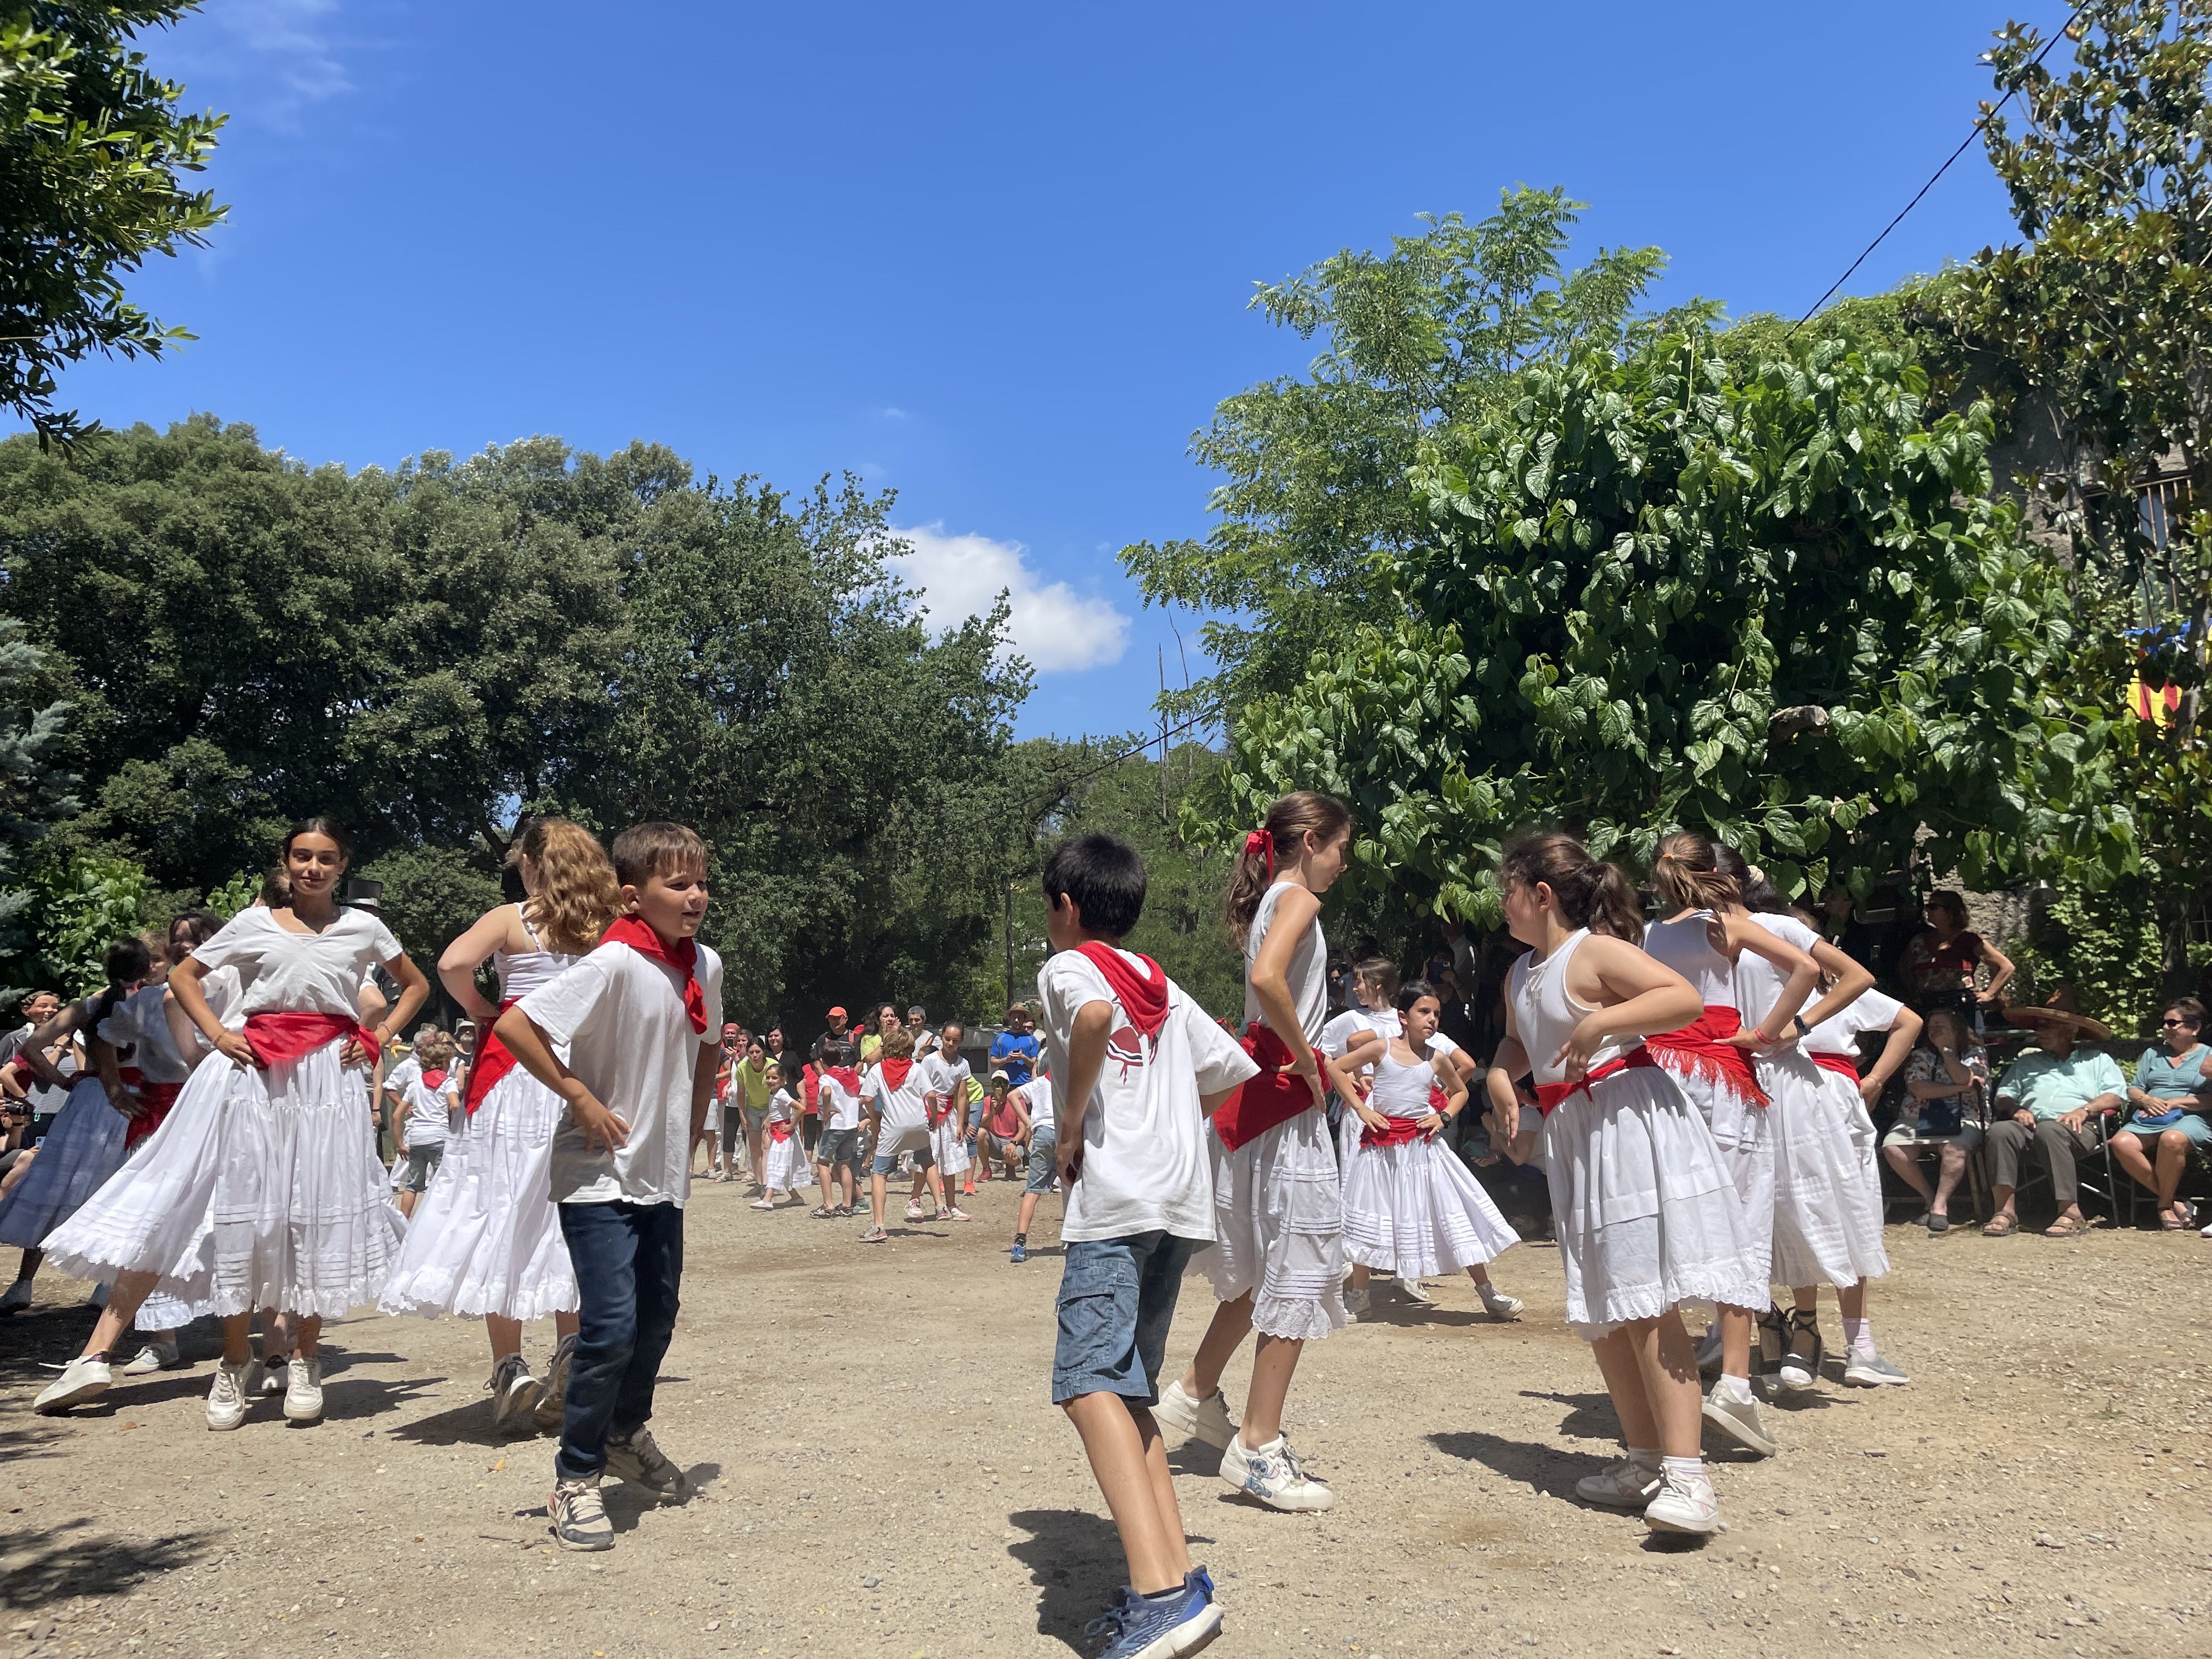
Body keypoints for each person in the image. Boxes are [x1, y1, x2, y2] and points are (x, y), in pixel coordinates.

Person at [1482, 831, 1767, 1538]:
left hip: (1628, 1123)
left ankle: (1689, 1477)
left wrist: (1605, 1018)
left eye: (1507, 890)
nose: (1500, 903)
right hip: (1578, 1133)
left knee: (1649, 1301)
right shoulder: (1520, 972)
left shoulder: (1594, 951)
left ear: (1540, 893)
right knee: (1607, 1303)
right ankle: (1643, 1459)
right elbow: (1520, 1044)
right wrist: (1499, 1078)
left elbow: (1680, 1000)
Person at [1034, 831, 1254, 1659]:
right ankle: (1175, 1578)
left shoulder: (1070, 968)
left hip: (1117, 1200)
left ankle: (1161, 1594)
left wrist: (1072, 1119)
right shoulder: (1160, 979)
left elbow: (1091, 1019)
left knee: (1086, 1384)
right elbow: (1227, 1069)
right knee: (1128, 1390)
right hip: (1176, 1203)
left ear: (1066, 906)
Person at [493, 820, 723, 1552]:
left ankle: (624, 1431)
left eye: (701, 882)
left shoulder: (703, 965)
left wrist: (689, 1128)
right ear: (633, 894)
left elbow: (709, 1046)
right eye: (677, 884)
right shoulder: (615, 962)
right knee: (611, 1326)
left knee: (657, 1315)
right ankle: (576, 1475)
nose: (696, 896)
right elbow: (517, 1025)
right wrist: (579, 1097)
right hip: (598, 1176)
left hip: (660, 1176)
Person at [381, 817, 617, 1434]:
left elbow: (454, 962)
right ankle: (569, 1363)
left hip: (512, 1074)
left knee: (496, 1206)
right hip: (576, 1074)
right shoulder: (604, 923)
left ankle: (509, 1368)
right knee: (570, 1217)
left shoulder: (512, 918)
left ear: (534, 865)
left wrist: (485, 1008)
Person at [1154, 791, 1352, 1514]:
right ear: (1309, 841)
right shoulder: (1298, 899)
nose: (1342, 862)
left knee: (1261, 1268)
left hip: (1254, 1100)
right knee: (1299, 1266)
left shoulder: (1274, 894)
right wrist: (1308, 1058)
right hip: (1282, 1103)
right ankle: (1258, 1446)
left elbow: (1264, 984)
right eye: (1339, 847)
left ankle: (1197, 1393)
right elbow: (1270, 980)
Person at [1637, 831, 1824, 1448]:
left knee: (1679, 1222)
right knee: (1739, 1224)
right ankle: (1736, 1386)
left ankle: (1686, 1379)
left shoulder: (1652, 932)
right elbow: (1806, 968)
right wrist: (1770, 1032)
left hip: (1668, 1076)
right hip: (1719, 1077)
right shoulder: (1724, 924)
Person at [1330, 979, 1522, 1321]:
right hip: (1382, 1150)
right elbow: (1336, 1067)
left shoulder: (1437, 1059)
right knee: (1373, 1217)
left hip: (1424, 1150)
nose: (1432, 1019)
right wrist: (1362, 1109)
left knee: (1453, 1212)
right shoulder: (1381, 1048)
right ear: (1404, 1017)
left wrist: (1443, 1115)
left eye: (1436, 1013)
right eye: (1424, 1012)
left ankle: (1488, 1293)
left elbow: (1460, 1091)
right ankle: (1359, 1296)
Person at [0, 937, 157, 1313]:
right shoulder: (151, 1002)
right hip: (132, 1098)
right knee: (117, 1187)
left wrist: (61, 1080)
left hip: (87, 1100)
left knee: (58, 1184)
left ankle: (23, 1284)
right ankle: (106, 1284)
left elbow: (30, 1048)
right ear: (145, 967)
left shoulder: (89, 1004)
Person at [1785, 966, 1922, 1390]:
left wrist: (1876, 1078)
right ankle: (1829, 1340)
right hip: (1803, 1093)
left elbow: (1909, 1021)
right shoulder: (1786, 985)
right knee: (1819, 1209)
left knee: (1831, 1209)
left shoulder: (1829, 987)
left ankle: (1836, 1342)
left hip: (1816, 1095)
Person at [1983, 1001, 2125, 1239]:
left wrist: (2085, 1109)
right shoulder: (2027, 1063)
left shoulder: (2096, 1059)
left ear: (2071, 1030)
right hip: (2028, 1128)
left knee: (2050, 1130)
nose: (2040, 1032)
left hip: (2078, 1129)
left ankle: (2070, 1212)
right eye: (2039, 1027)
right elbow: (2003, 1096)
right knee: (2000, 1131)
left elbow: (2115, 1096)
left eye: (2048, 1027)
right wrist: (2016, 1109)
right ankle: (2005, 1212)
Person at [1882, 1008, 1989, 1233]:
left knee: (1954, 1149)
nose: (1935, 1030)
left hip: (1964, 1117)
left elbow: (1964, 1075)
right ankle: (1929, 1198)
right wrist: (1960, 1088)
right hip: (1917, 1117)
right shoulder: (1920, 1056)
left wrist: (1947, 1052)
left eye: (1941, 1026)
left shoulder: (1975, 1054)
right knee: (1893, 1148)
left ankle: (1940, 1206)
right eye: (1931, 1027)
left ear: (1957, 1030)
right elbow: (1919, 1089)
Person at [2110, 997, 2212, 1229]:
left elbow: (2210, 1099)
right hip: (2152, 1115)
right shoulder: (2153, 1054)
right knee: (2121, 1142)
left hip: (2193, 1117)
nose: (2166, 1027)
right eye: (2165, 1022)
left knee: (2172, 1139)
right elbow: (2134, 1088)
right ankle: (2176, 1202)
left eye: (2173, 1023)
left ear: (2195, 1028)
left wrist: (2175, 1102)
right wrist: (2145, 1099)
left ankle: (2164, 1206)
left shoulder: (2209, 1057)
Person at [859, 1025, 945, 1240]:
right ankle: (940, 1206)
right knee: (928, 1161)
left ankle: (879, 1227)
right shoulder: (917, 1068)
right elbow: (932, 1096)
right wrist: (933, 1118)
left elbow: (867, 1098)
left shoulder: (877, 1070)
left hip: (893, 1127)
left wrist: (875, 1116)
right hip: (918, 1123)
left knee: (879, 1173)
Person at [1899, 890, 2014, 1028]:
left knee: (1968, 1048)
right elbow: (1903, 968)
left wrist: (1989, 994)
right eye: (1927, 906)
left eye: (1933, 907)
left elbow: (2006, 967)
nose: (1927, 910)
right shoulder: (1919, 941)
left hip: (1962, 1009)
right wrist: (1914, 993)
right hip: (1929, 1007)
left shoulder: (1969, 940)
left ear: (1951, 912)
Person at [389, 1029, 459, 1218]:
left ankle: (404, 1221)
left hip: (417, 1138)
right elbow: (455, 1105)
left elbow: (396, 1116)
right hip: (440, 1137)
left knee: (412, 1185)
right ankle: (437, 1219)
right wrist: (458, 1130)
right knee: (442, 1182)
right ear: (443, 1063)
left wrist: (400, 1144)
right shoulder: (449, 1082)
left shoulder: (415, 1084)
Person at [916, 1020, 972, 1218]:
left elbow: (962, 1095)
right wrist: (928, 1113)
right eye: (947, 1039)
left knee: (950, 1159)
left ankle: (951, 1203)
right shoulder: (931, 1060)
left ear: (961, 1041)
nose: (950, 1043)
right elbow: (923, 1088)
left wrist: (961, 1123)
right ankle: (917, 1199)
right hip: (929, 1111)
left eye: (955, 1041)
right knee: (927, 1158)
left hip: (949, 1113)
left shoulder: (963, 1064)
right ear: (942, 1036)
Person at [810, 1026, 864, 1219]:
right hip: (851, 1124)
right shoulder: (850, 1074)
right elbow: (865, 1088)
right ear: (841, 1056)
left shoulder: (826, 1077)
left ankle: (828, 1204)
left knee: (823, 1163)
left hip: (835, 1126)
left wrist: (825, 1111)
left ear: (822, 1061)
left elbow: (826, 1093)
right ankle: (848, 1205)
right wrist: (857, 1103)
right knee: (844, 1164)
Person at [1009, 1060, 1058, 1263]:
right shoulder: (1067, 1080)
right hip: (1065, 1133)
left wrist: (1029, 1122)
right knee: (1072, 1187)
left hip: (1043, 1133)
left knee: (1032, 1190)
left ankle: (1020, 1243)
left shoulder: (1039, 1083)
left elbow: (1013, 1095)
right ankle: (1075, 1240)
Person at [752, 1063, 809, 1209]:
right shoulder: (774, 1094)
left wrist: (792, 1125)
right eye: (768, 1078)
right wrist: (768, 1120)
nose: (771, 1081)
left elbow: (801, 1108)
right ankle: (796, 1198)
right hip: (778, 1135)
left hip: (785, 1137)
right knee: (781, 1166)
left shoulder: (782, 1094)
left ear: (783, 1080)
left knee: (778, 1165)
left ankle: (767, 1199)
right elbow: (776, 1111)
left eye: (775, 1078)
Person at [990, 1004, 1040, 1090]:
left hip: (1026, 1084)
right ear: (1010, 1019)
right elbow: (993, 1063)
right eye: (1014, 1017)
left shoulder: (1031, 1039)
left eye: (1020, 1017)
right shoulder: (1000, 1037)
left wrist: (1023, 1057)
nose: (1017, 1020)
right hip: (1004, 1084)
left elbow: (1034, 1065)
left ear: (1024, 1019)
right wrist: (1007, 1060)